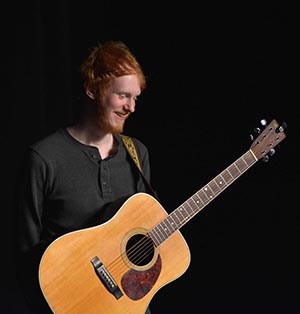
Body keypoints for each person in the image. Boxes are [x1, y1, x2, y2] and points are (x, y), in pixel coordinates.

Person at [15, 41, 155, 313]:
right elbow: (25, 256)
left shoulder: (137, 154)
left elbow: (146, 230)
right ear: (92, 90)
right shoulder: (44, 158)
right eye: (123, 96)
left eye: (135, 98)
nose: (131, 108)